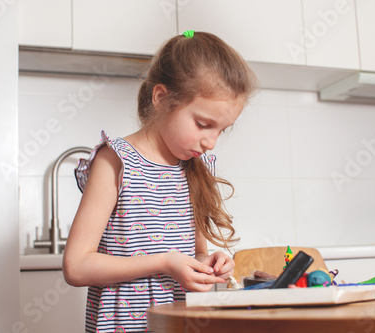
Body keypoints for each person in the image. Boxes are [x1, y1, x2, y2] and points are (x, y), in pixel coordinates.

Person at [62, 30, 257, 333]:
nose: (211, 142)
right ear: (162, 98)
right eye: (203, 124)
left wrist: (208, 265)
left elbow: (196, 252)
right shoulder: (116, 161)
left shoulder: (196, 167)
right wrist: (165, 262)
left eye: (222, 129)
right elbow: (76, 266)